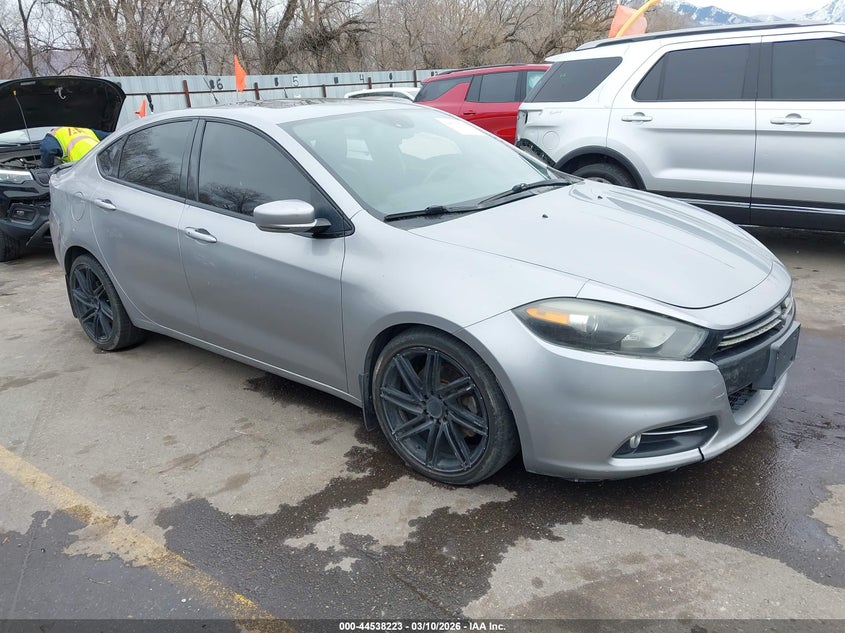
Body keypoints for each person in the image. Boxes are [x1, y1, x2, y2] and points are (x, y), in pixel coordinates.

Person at [40, 126, 109, 168]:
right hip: (103, 162)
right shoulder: (85, 130)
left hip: (82, 165)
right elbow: (113, 136)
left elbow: (47, 149)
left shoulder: (53, 134)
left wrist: (46, 167)